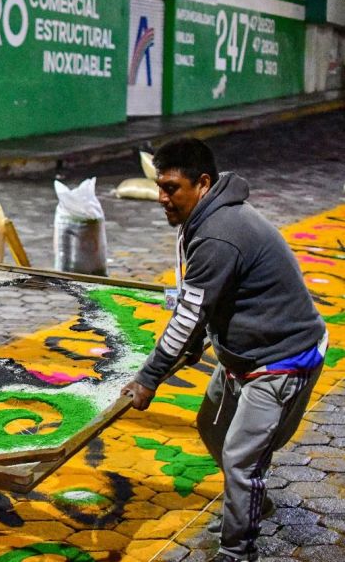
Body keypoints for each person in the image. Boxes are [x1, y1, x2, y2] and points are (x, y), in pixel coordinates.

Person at [120, 138, 327, 562]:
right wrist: (195, 346)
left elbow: (187, 316)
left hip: (281, 361)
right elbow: (205, 303)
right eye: (159, 186)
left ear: (203, 184)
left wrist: (148, 378)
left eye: (172, 188)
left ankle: (237, 552)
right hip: (243, 355)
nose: (162, 198)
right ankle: (254, 500)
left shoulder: (219, 234)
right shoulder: (208, 218)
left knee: (240, 458)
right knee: (212, 428)